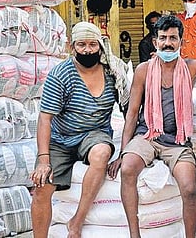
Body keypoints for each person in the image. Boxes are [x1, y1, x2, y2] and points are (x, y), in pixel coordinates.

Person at [109, 15, 196, 238]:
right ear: (155, 42)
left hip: (178, 141)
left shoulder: (191, 67)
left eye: (173, 38)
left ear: (181, 42)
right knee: (128, 168)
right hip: (148, 135)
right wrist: (123, 152)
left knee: (190, 189)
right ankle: (134, 234)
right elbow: (131, 115)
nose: (167, 43)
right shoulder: (143, 70)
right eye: (163, 38)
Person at [29, 21, 130, 238]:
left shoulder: (113, 71)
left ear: (101, 46)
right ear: (72, 47)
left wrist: (124, 153)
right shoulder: (61, 75)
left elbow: (129, 113)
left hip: (95, 134)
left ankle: (77, 221)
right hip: (61, 138)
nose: (87, 50)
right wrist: (44, 160)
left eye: (92, 45)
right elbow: (45, 119)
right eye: (81, 45)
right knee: (41, 189)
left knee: (102, 153)